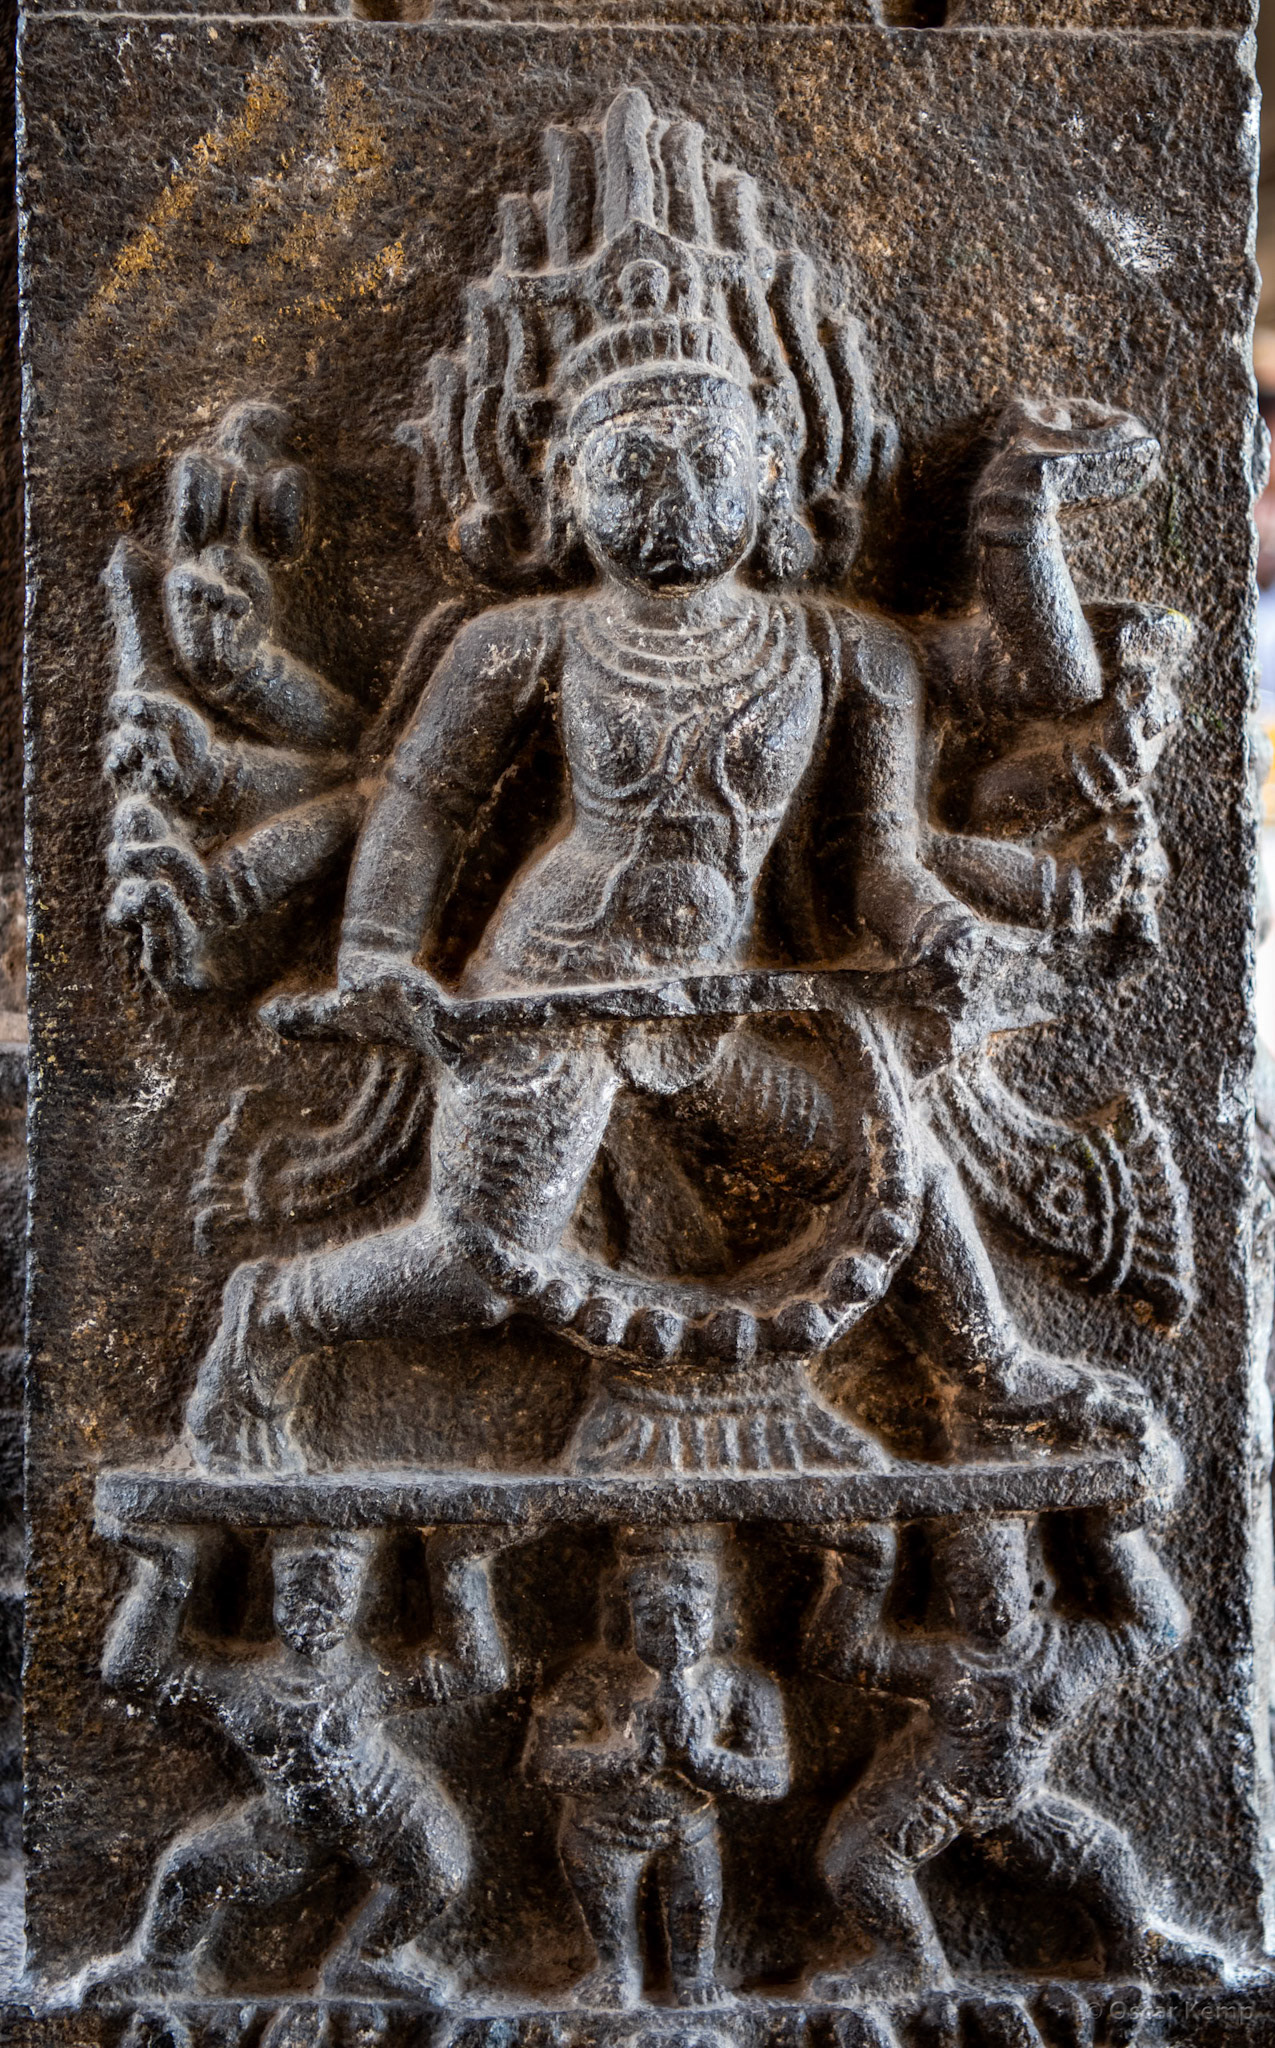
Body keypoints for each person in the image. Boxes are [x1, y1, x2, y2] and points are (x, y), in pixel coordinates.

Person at [182, 89, 1174, 1474]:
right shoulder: (518, 639)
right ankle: (269, 1323)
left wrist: (944, 937)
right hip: (553, 985)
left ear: (770, 472)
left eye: (705, 454)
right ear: (562, 489)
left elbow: (877, 855)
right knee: (483, 1262)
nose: (670, 490)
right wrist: (378, 956)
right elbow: (421, 807)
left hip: (719, 993)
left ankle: (991, 1365)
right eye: (627, 462)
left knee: (881, 1152)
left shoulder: (842, 649)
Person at [805, 1515, 1225, 1994]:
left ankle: (1134, 1947)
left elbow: (1160, 1628)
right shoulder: (946, 1661)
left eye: (1000, 1577)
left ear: (1031, 1578)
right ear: (948, 1596)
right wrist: (867, 1570)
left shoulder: (1068, 1650)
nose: (986, 1597)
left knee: (1108, 1856)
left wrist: (1113, 1537)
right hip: (936, 1793)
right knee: (852, 1863)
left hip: (1022, 1804)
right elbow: (842, 1653)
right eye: (965, 1583)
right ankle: (913, 1961)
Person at [100, 1524, 509, 2000]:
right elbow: (135, 1672)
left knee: (440, 1870)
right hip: (286, 1826)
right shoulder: (242, 1686)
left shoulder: (371, 1678)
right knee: (187, 1874)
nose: (317, 1602)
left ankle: (370, 1957)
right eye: (298, 1587)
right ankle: (163, 1968)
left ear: (359, 1597)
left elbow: (476, 1671)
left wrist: (454, 1566)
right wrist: (169, 1575)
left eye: (337, 1587)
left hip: (385, 1809)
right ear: (275, 1591)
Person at [526, 1529, 789, 2009]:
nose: (673, 1629)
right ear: (624, 1619)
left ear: (721, 1612)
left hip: (690, 1829)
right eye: (652, 1615)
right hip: (601, 1829)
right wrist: (628, 1762)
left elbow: (772, 1778)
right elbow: (546, 1765)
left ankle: (693, 1971)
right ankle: (614, 1966)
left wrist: (702, 1760)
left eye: (690, 1614)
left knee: (696, 1905)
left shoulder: (740, 1686)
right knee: (605, 1901)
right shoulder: (592, 1679)